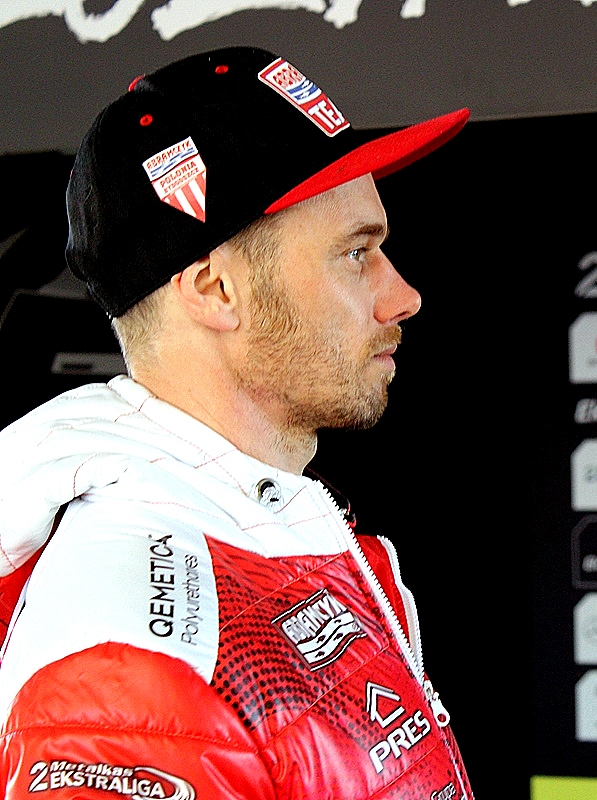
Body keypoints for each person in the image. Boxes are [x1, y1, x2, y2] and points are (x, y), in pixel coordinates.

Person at [0, 46, 473, 799]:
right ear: (216, 290)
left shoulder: (261, 533)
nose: (404, 297)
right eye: (356, 254)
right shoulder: (133, 646)